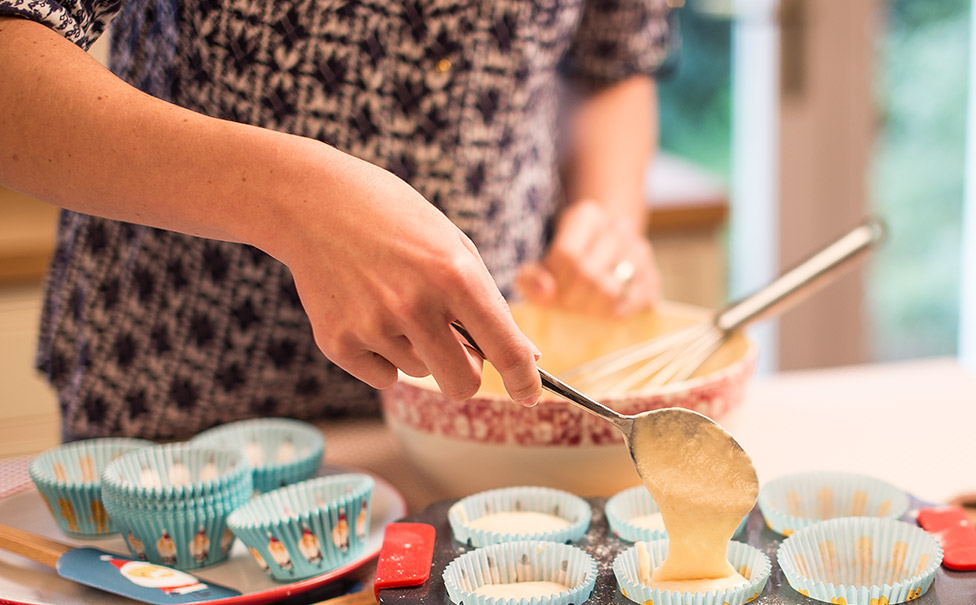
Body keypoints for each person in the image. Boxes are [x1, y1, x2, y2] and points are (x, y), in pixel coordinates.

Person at [0, 0, 673, 441]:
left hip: (473, 418)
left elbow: (614, 60)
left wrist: (610, 214)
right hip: (185, 411)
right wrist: (291, 200)